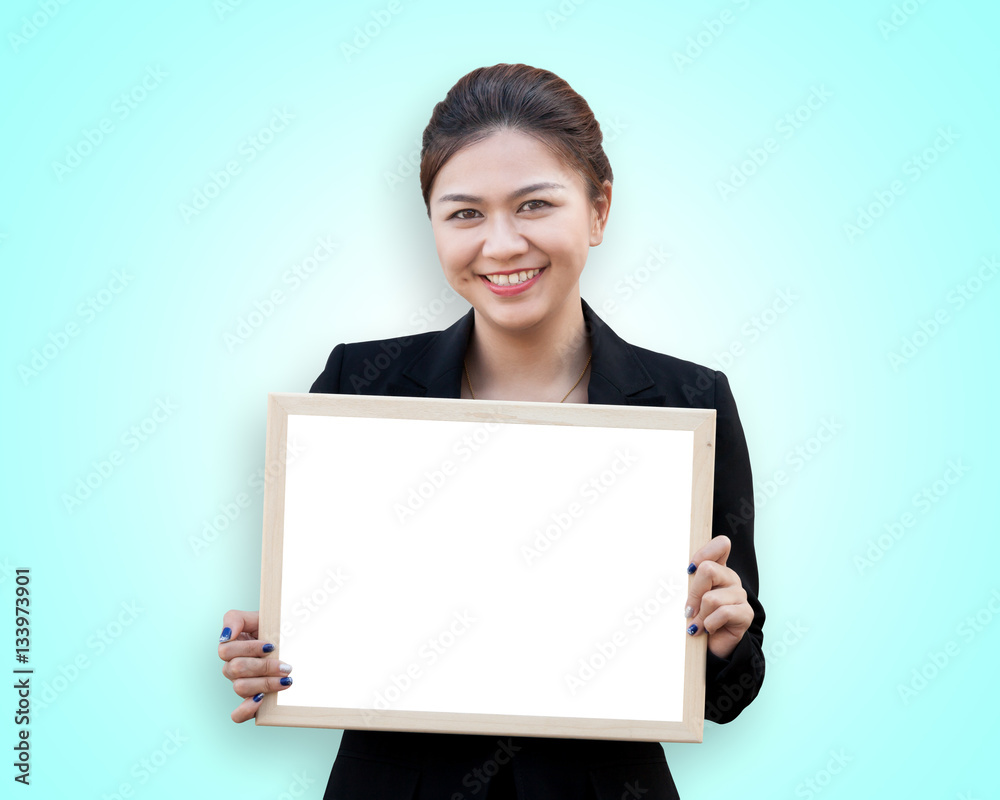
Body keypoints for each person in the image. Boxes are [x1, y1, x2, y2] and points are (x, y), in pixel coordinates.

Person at [218, 63, 765, 800]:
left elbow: (729, 697)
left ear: (599, 210)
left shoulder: (688, 402)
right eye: (465, 214)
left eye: (534, 205)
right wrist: (267, 653)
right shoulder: (358, 384)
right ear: (433, 226)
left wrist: (727, 639)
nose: (502, 244)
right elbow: (322, 619)